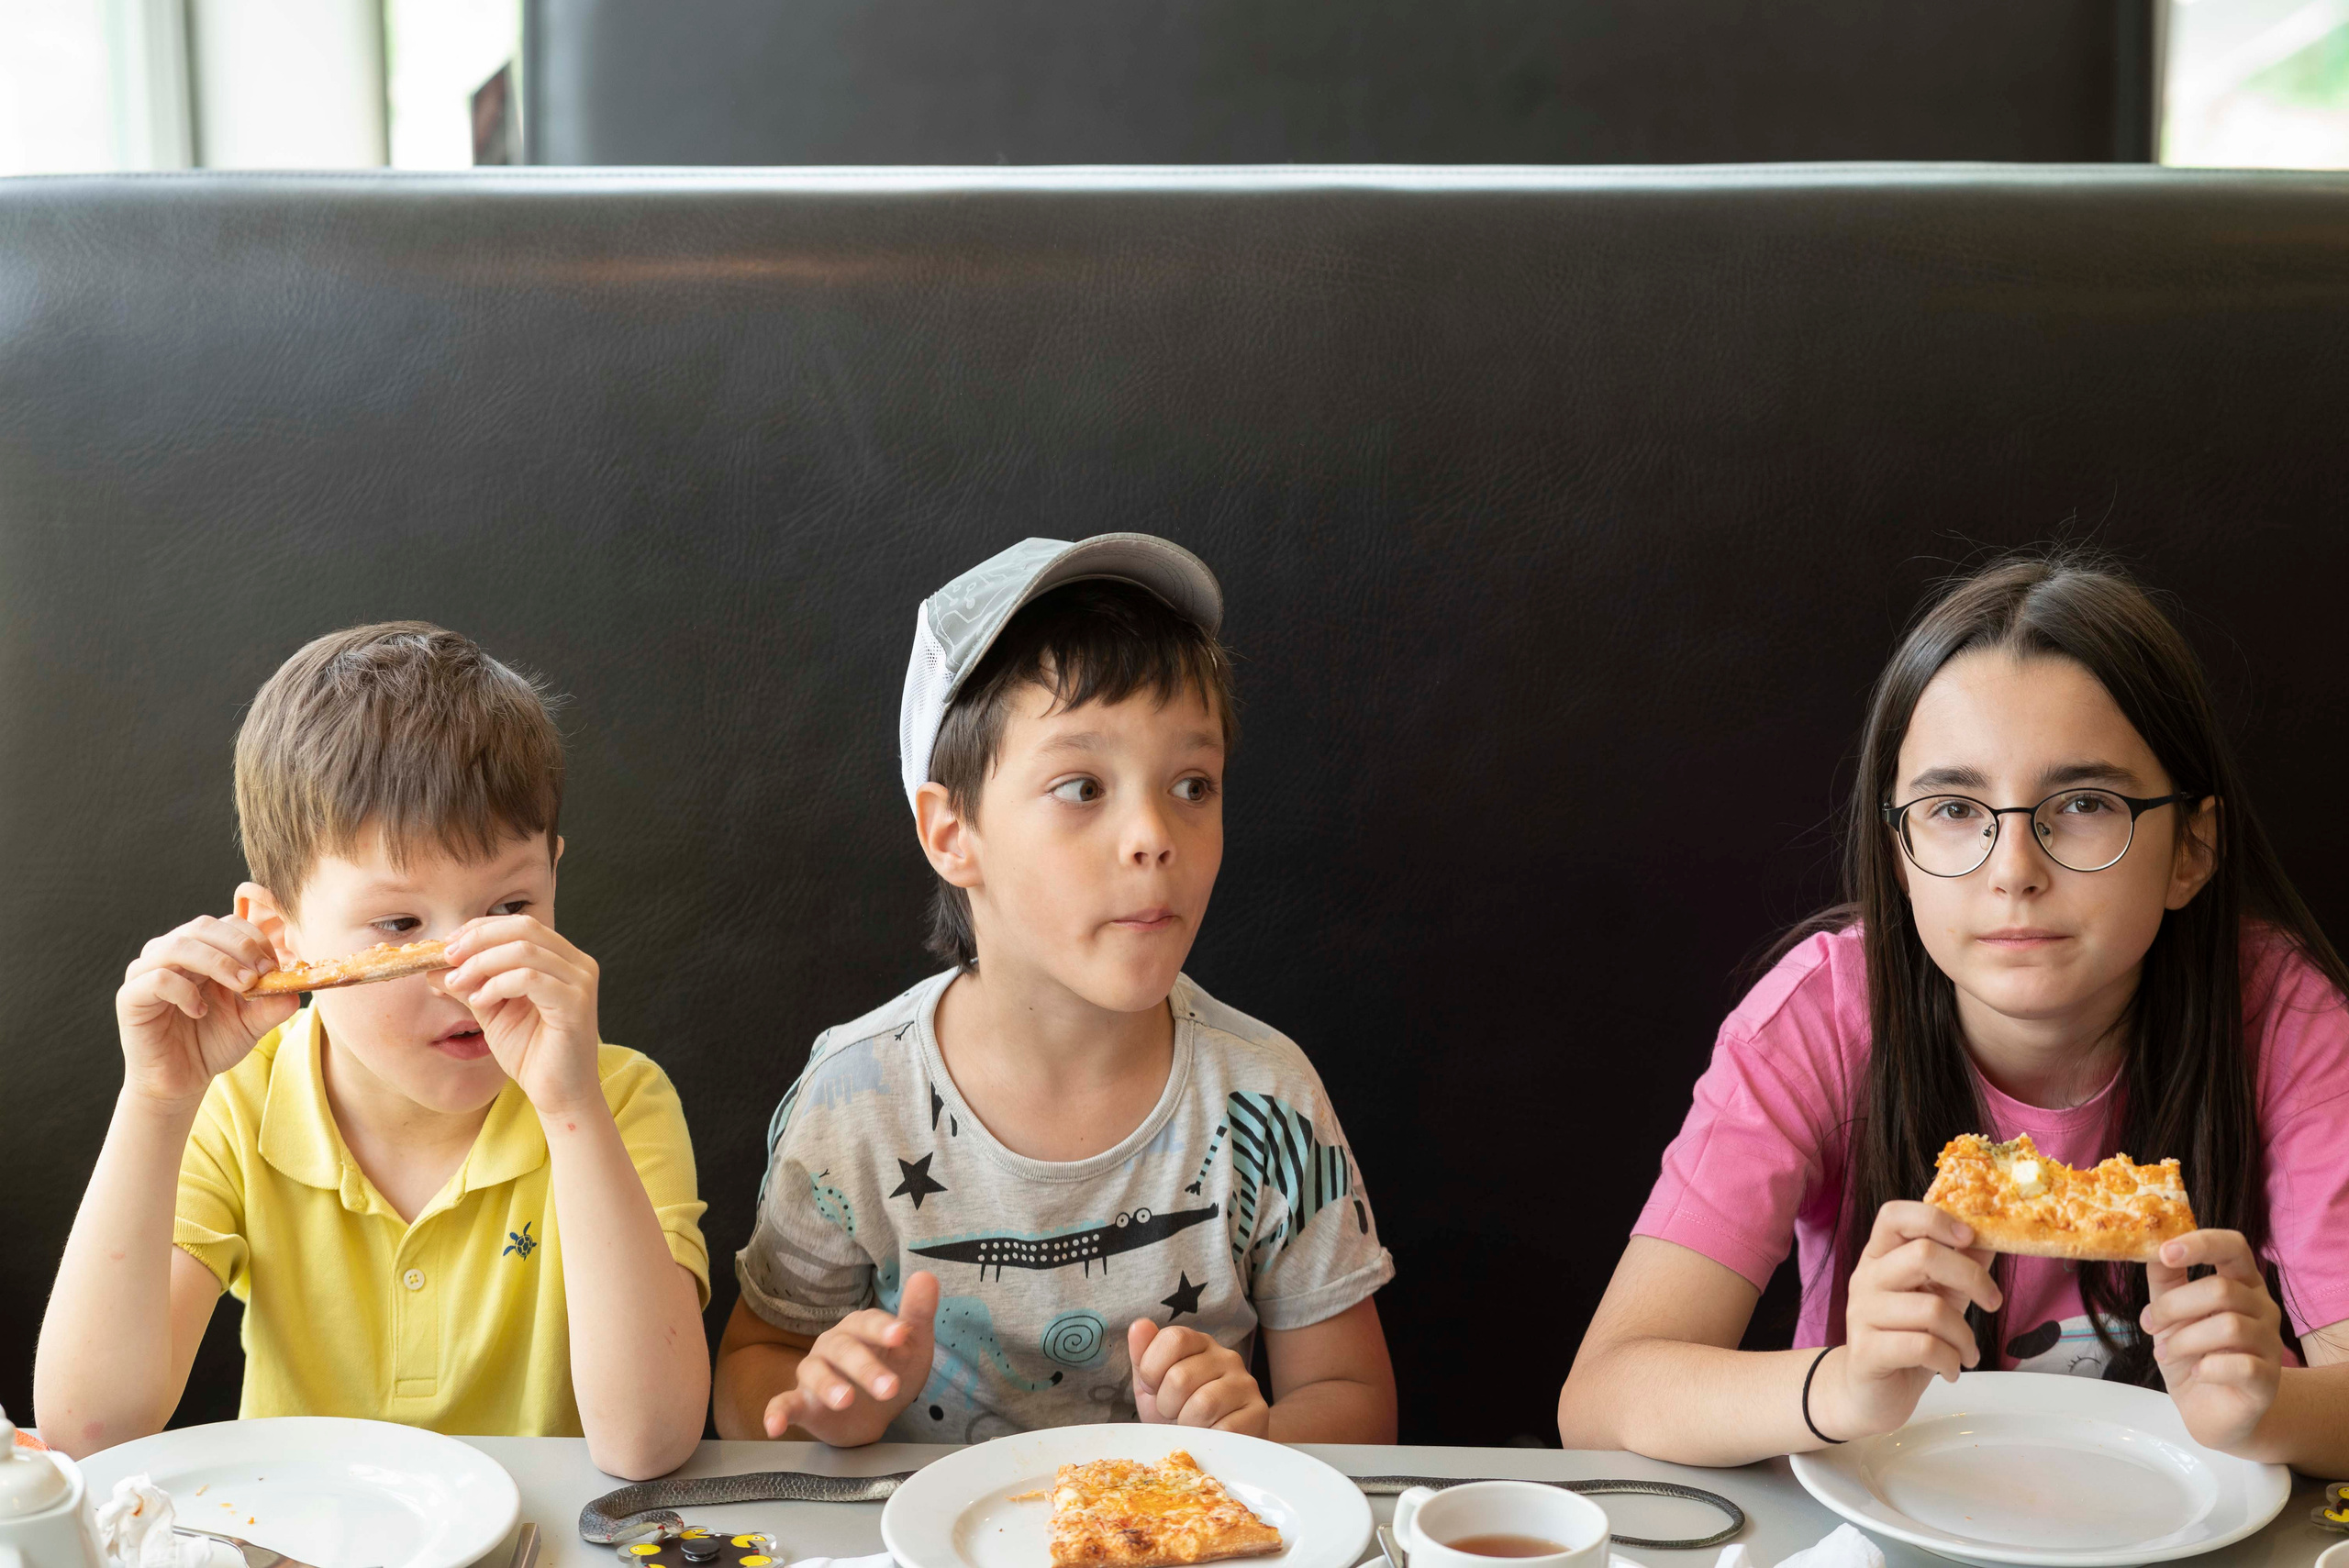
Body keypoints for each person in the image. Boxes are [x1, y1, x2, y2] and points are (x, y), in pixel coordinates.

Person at [1559, 551, 2349, 1470]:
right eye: (1953, 808)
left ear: (2191, 849)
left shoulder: (2285, 1019)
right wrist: (1846, 1384)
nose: (2014, 868)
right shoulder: (1820, 1017)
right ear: (1897, 852)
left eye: (2083, 802)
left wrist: (2264, 1409)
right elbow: (1602, 1399)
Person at [713, 535, 1397, 1446]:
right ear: (951, 832)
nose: (1153, 834)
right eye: (1081, 786)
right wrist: (829, 1403)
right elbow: (750, 1373)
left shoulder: (1268, 1096)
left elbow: (1355, 1398)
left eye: (1192, 784)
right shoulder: (853, 1096)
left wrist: (1256, 1433)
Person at [34, 623, 709, 1479]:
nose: (463, 974)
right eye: (398, 923)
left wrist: (571, 1108)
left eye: (510, 908)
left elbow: (649, 1441)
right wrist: (157, 1101)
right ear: (280, 934)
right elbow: (92, 1430)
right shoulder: (234, 1104)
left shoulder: (617, 1098)